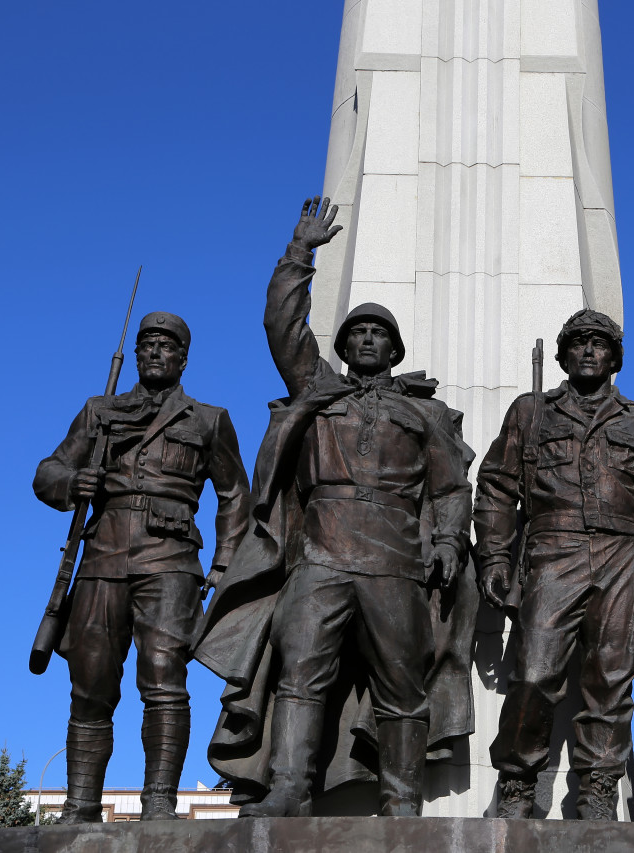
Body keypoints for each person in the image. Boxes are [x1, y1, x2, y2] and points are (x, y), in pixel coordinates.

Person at [194, 197, 475, 818]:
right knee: (301, 677)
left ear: (395, 351)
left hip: (397, 560)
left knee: (403, 685)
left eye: (379, 333)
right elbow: (282, 327)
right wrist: (301, 253)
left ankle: (401, 800)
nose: (368, 340)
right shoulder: (317, 391)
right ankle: (291, 788)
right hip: (319, 556)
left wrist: (451, 541)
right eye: (358, 333)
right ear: (343, 347)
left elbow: (452, 488)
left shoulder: (424, 414)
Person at [474, 309, 634, 820]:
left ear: (615, 357)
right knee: (532, 672)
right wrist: (494, 554)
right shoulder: (531, 412)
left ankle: (597, 787)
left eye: (599, 344)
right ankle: (516, 783)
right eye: (578, 343)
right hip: (553, 549)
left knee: (611, 678)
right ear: (563, 355)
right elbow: (498, 488)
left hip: (620, 552)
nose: (589, 351)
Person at [33, 312, 250, 823]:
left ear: (183, 357)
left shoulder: (207, 418)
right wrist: (73, 484)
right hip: (102, 557)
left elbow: (235, 494)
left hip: (172, 560)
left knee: (163, 680)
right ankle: (80, 805)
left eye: (166, 346)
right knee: (89, 685)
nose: (155, 352)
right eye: (146, 345)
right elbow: (47, 472)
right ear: (136, 355)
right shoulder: (100, 411)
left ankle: (158, 803)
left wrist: (223, 565)